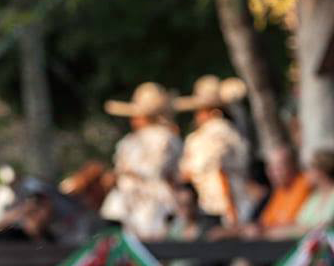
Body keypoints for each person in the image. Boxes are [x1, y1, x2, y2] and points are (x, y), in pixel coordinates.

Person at [100, 82, 182, 239]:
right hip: (128, 197)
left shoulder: (163, 137)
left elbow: (157, 170)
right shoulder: (133, 140)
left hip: (152, 198)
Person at [176, 76, 252, 229]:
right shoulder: (228, 132)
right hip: (219, 201)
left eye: (200, 111)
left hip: (219, 204)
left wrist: (229, 207)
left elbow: (218, 171)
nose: (197, 116)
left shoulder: (214, 133)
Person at [291, 148, 334, 234]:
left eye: (309, 169)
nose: (305, 174)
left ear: (320, 171)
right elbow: (299, 224)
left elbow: (328, 225)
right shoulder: (314, 197)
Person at [254, 143, 312, 239]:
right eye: (270, 168)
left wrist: (265, 232)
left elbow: (296, 225)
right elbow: (266, 223)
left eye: (279, 167)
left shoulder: (306, 185)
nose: (273, 173)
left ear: (293, 166)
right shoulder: (279, 191)